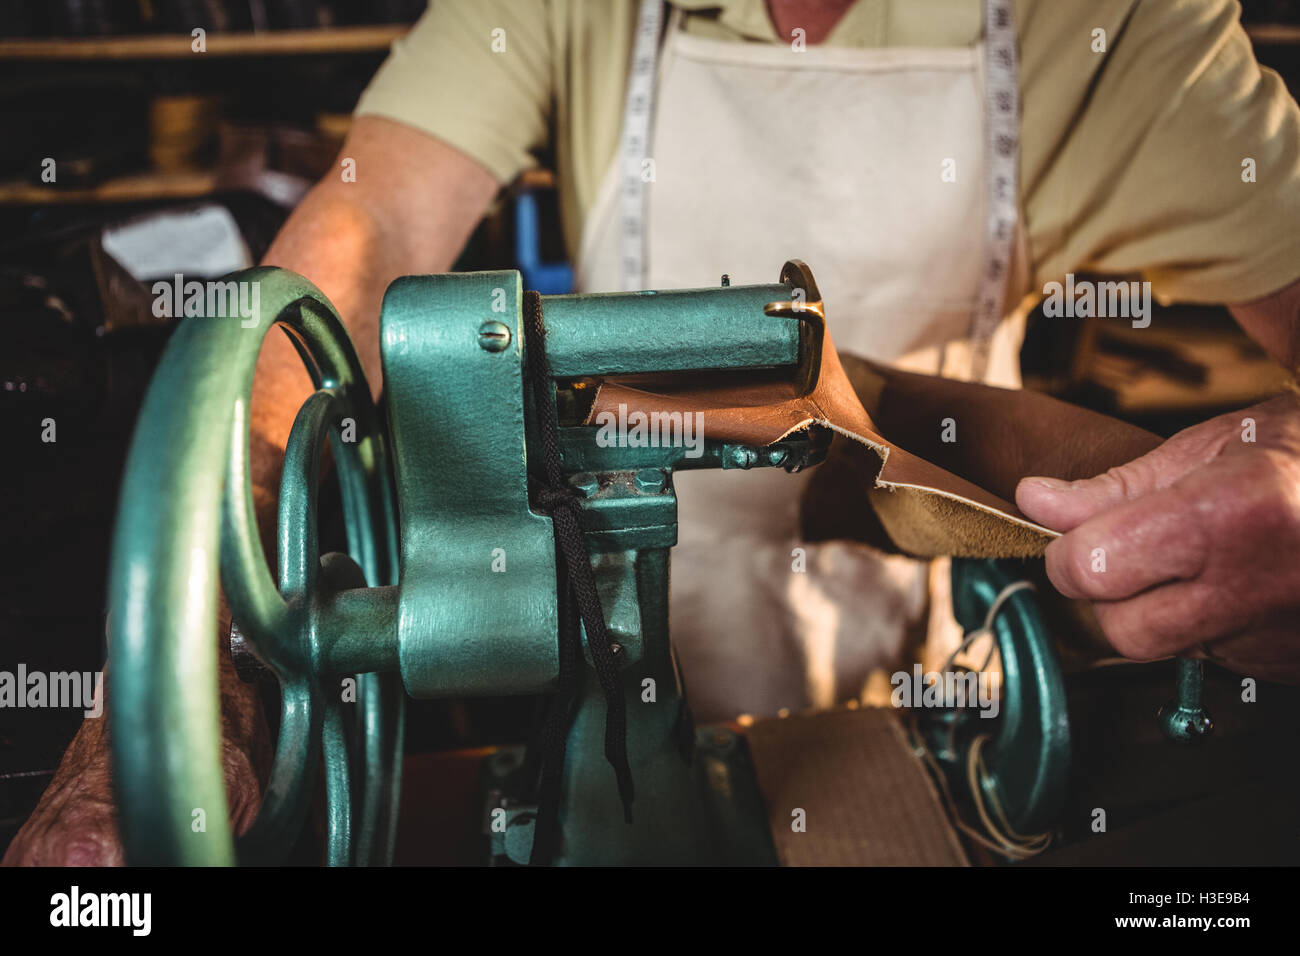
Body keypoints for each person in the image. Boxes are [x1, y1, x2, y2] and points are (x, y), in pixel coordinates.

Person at [6, 0, 1299, 866]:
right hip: (600, 670)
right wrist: (185, 673)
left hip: (913, 695)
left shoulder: (1117, 26)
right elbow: (360, 240)